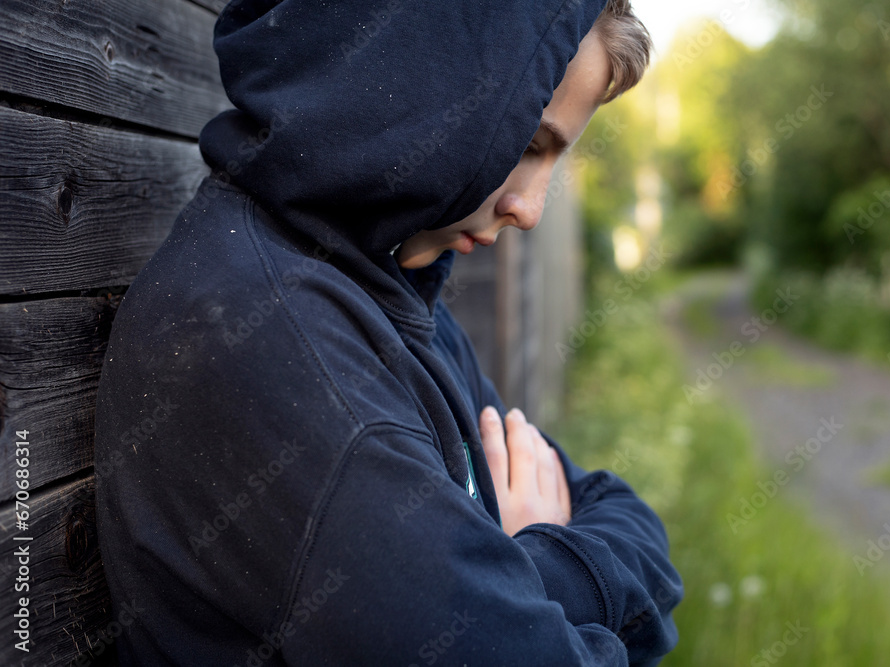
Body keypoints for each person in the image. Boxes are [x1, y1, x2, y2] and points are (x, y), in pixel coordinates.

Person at [93, 0, 683, 664]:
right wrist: (543, 557)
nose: (529, 208)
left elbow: (639, 535)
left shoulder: (388, 297)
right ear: (431, 83)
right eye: (526, 144)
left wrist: (528, 572)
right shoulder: (281, 352)